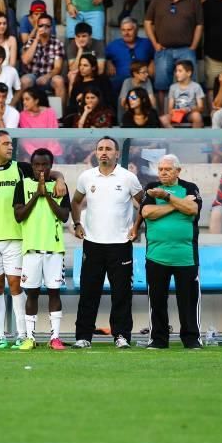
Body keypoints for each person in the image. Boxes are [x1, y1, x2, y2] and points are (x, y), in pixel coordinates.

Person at [0, 130, 51, 348]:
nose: (10, 147)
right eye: (5, 143)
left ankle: (22, 334)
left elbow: (49, 173)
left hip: (16, 238)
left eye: (10, 143)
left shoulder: (22, 168)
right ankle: (0, 336)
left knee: (16, 286)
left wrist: (61, 179)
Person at [71, 136, 142, 349]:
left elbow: (144, 204)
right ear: (95, 152)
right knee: (88, 292)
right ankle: (83, 337)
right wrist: (77, 223)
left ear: (117, 154)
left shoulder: (128, 178)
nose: (104, 152)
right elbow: (75, 202)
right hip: (92, 243)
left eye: (108, 149)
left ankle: (121, 335)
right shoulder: (86, 177)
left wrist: (136, 228)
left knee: (121, 293)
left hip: (120, 244)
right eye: (100, 148)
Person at [140, 154, 203, 349]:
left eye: (167, 169)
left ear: (178, 171)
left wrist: (167, 197)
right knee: (157, 301)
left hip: (185, 256)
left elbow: (193, 209)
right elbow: (147, 212)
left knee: (188, 301)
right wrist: (176, 204)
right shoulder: (152, 188)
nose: (163, 173)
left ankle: (192, 339)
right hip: (156, 255)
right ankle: (158, 339)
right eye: (160, 169)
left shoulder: (190, 188)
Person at [12, 148, 69, 350]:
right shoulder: (23, 185)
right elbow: (19, 216)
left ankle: (55, 337)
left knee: (55, 293)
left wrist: (48, 196)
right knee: (32, 294)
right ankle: (30, 338)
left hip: (54, 250)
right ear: (32, 166)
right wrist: (37, 194)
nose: (41, 169)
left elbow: (64, 216)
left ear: (51, 166)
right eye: (37, 165)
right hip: (31, 250)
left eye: (45, 164)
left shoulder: (60, 187)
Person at [144, 0, 203, 100]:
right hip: (163, 49)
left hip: (186, 50)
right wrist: (155, 44)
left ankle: (188, 117)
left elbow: (199, 25)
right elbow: (148, 22)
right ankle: (163, 118)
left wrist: (193, 46)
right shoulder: (158, 0)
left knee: (189, 85)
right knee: (161, 87)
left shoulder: (193, 1)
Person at [105, 16, 154, 93]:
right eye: (123, 30)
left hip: (142, 79)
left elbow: (156, 55)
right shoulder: (113, 45)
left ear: (136, 30)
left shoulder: (147, 43)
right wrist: (108, 62)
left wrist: (152, 63)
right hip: (120, 80)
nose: (126, 33)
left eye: (129, 30)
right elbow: (104, 56)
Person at [18, 87, 61, 158]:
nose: (24, 102)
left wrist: (48, 153)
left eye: (27, 99)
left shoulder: (50, 112)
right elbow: (25, 140)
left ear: (36, 101)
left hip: (53, 152)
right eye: (23, 100)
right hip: (31, 153)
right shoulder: (22, 115)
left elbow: (53, 136)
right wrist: (36, 154)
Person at [166, 60, 205, 128]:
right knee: (163, 119)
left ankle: (195, 138)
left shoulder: (196, 86)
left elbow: (201, 107)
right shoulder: (173, 87)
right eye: (176, 71)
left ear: (189, 73)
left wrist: (188, 109)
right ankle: (174, 137)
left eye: (180, 71)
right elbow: (170, 108)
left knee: (197, 116)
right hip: (177, 115)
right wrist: (174, 111)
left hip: (190, 114)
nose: (176, 73)